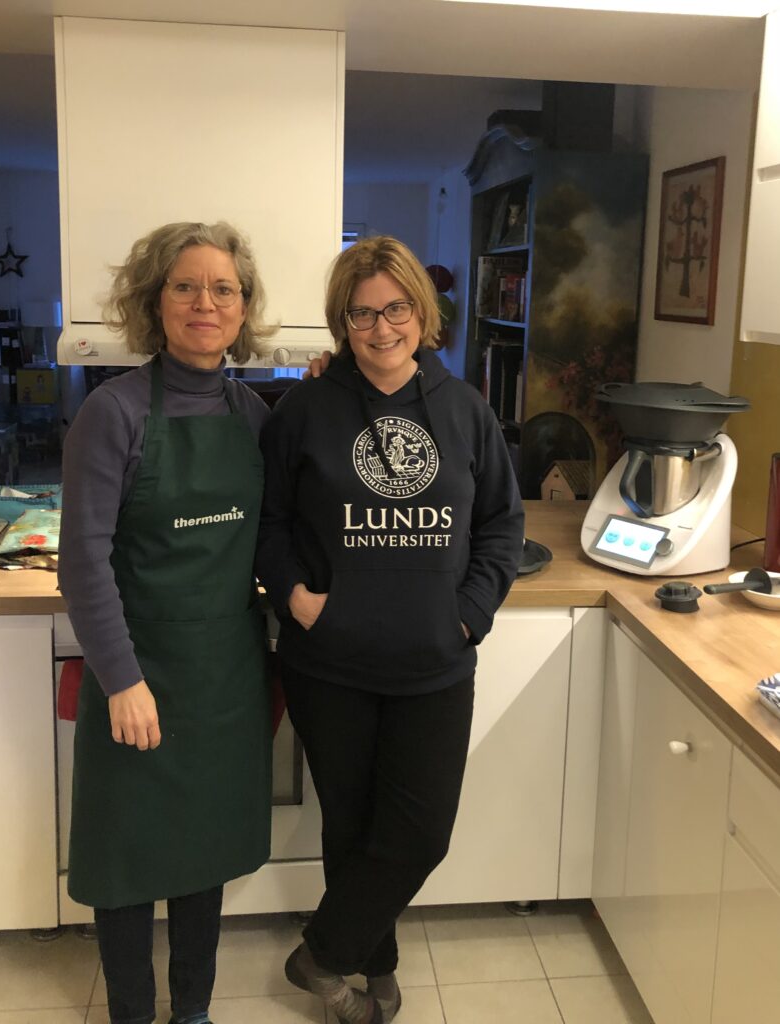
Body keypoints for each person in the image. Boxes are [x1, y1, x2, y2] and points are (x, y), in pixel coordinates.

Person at [256, 236, 525, 1024]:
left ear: (420, 310)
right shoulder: (304, 409)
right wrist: (296, 596)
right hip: (328, 662)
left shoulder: (465, 408)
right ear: (341, 321)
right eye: (361, 313)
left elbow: (501, 524)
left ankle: (319, 956)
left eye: (395, 308)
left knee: (419, 833)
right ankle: (372, 970)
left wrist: (469, 613)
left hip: (433, 663)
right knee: (351, 825)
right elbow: (268, 523)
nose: (381, 328)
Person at [59, 221, 276, 1024]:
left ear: (242, 307)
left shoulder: (254, 414)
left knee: (201, 852)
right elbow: (83, 562)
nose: (204, 303)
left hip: (224, 676)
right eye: (185, 286)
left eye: (223, 289)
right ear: (156, 302)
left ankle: (192, 1011)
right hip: (137, 670)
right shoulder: (112, 413)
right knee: (125, 858)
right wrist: (121, 679)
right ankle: (131, 1013)